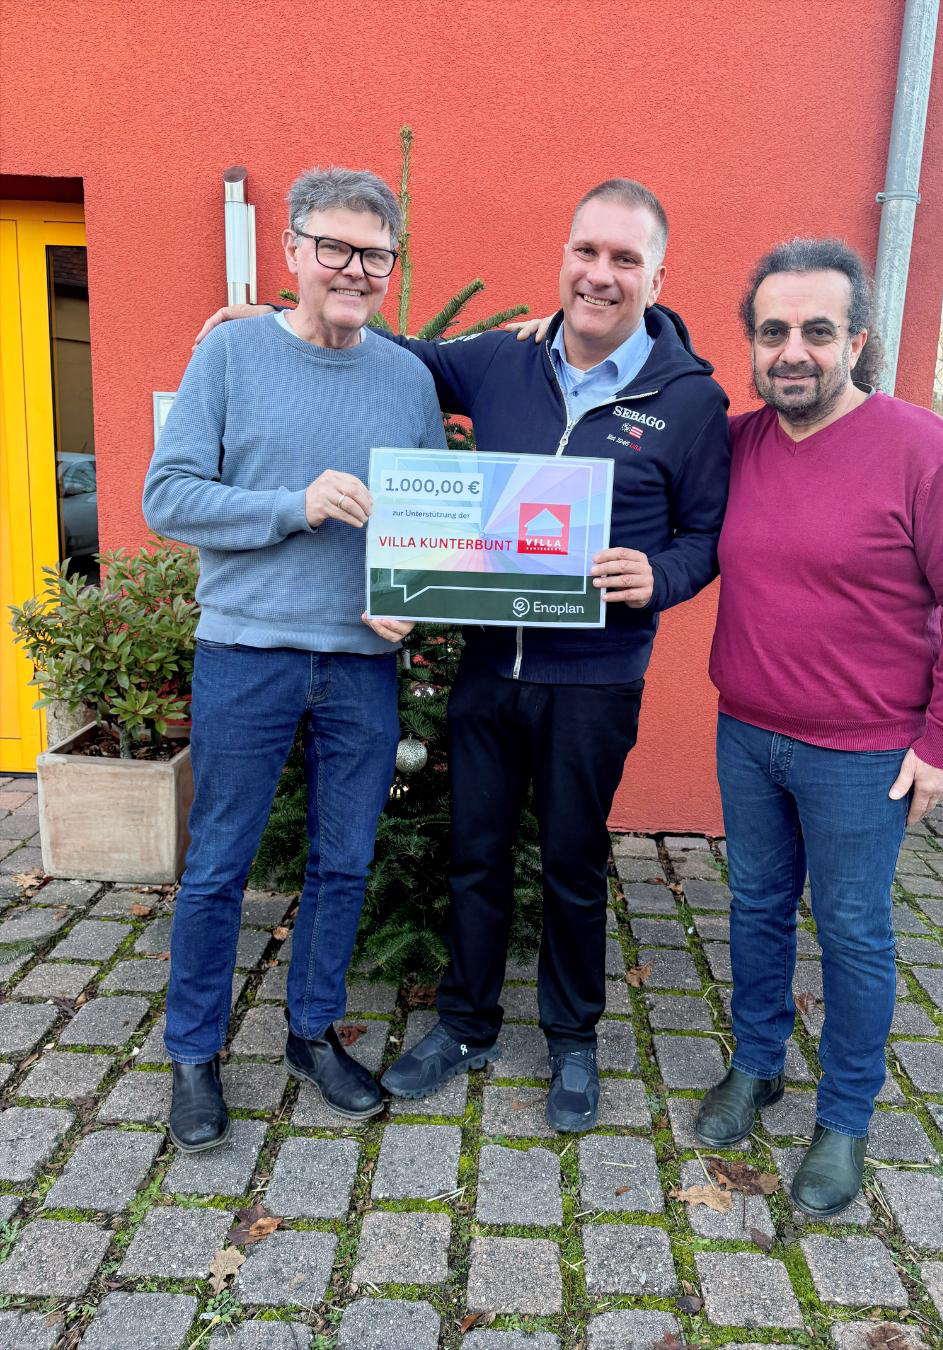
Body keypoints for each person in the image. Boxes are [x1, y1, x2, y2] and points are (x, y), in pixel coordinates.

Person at [199, 179, 731, 1132]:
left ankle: (571, 1038)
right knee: (475, 855)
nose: (600, 274)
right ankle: (466, 1026)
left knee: (572, 863)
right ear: (564, 257)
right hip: (491, 670)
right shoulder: (502, 359)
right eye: (586, 252)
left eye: (625, 259)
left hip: (595, 679)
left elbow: (706, 536)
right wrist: (275, 320)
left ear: (658, 276)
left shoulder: (690, 400)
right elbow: (397, 352)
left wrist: (662, 575)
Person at [694, 237, 943, 1215]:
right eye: (773, 332)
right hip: (747, 731)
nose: (794, 351)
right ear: (753, 344)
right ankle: (758, 1064)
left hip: (866, 753)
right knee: (754, 906)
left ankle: (844, 1117)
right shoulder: (738, 443)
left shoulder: (925, 451)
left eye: (817, 331)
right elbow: (648, 418)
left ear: (857, 340)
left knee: (853, 931)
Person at [144, 167, 446, 1151]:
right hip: (246, 654)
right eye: (335, 248)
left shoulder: (407, 379)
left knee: (344, 862)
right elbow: (167, 497)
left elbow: (428, 522)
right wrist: (294, 506)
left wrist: (414, 599)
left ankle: (313, 1035)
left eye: (375, 254)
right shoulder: (231, 355)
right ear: (293, 251)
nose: (355, 269)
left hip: (361, 665)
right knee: (217, 866)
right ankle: (194, 1053)